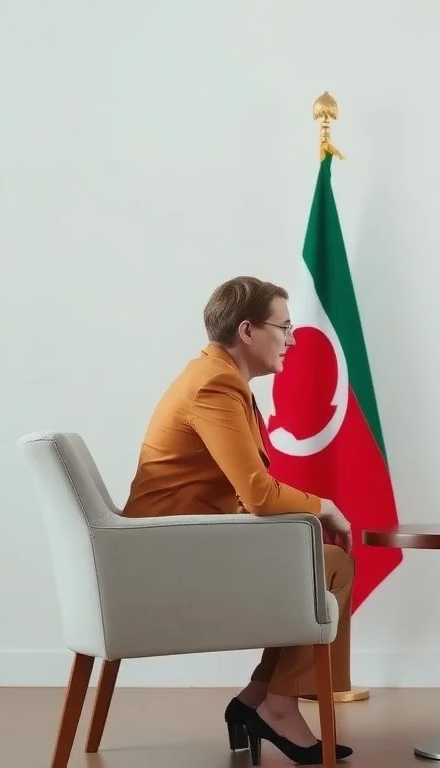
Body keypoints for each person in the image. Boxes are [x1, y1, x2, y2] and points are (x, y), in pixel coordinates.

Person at [123, 276, 355, 764]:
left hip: (176, 546)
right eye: (284, 327)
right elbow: (258, 494)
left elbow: (247, 496)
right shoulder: (215, 384)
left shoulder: (216, 376)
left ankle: (257, 702)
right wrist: (324, 506)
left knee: (314, 562)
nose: (292, 340)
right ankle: (277, 706)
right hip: (167, 559)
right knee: (329, 565)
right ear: (247, 331)